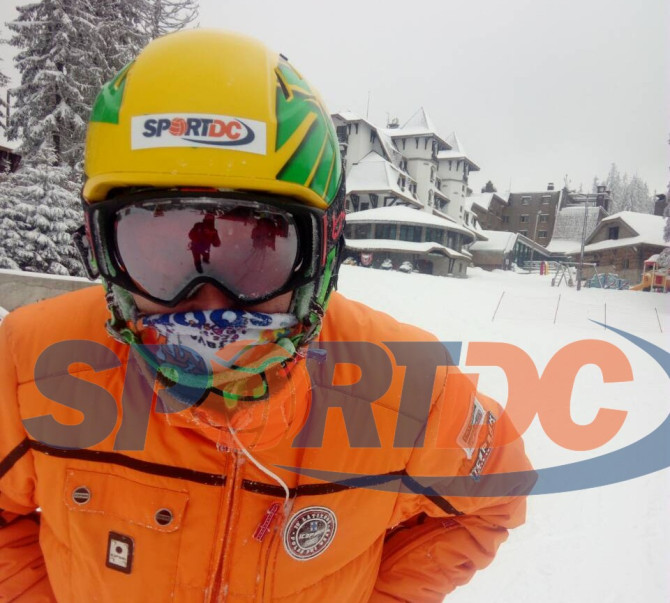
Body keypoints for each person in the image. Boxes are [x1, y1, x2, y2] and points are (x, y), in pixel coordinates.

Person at [0, 30, 533, 602]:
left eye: (257, 249)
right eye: (160, 251)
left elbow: (493, 497)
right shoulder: (29, 363)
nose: (209, 303)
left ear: (322, 254)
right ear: (103, 250)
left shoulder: (410, 389)